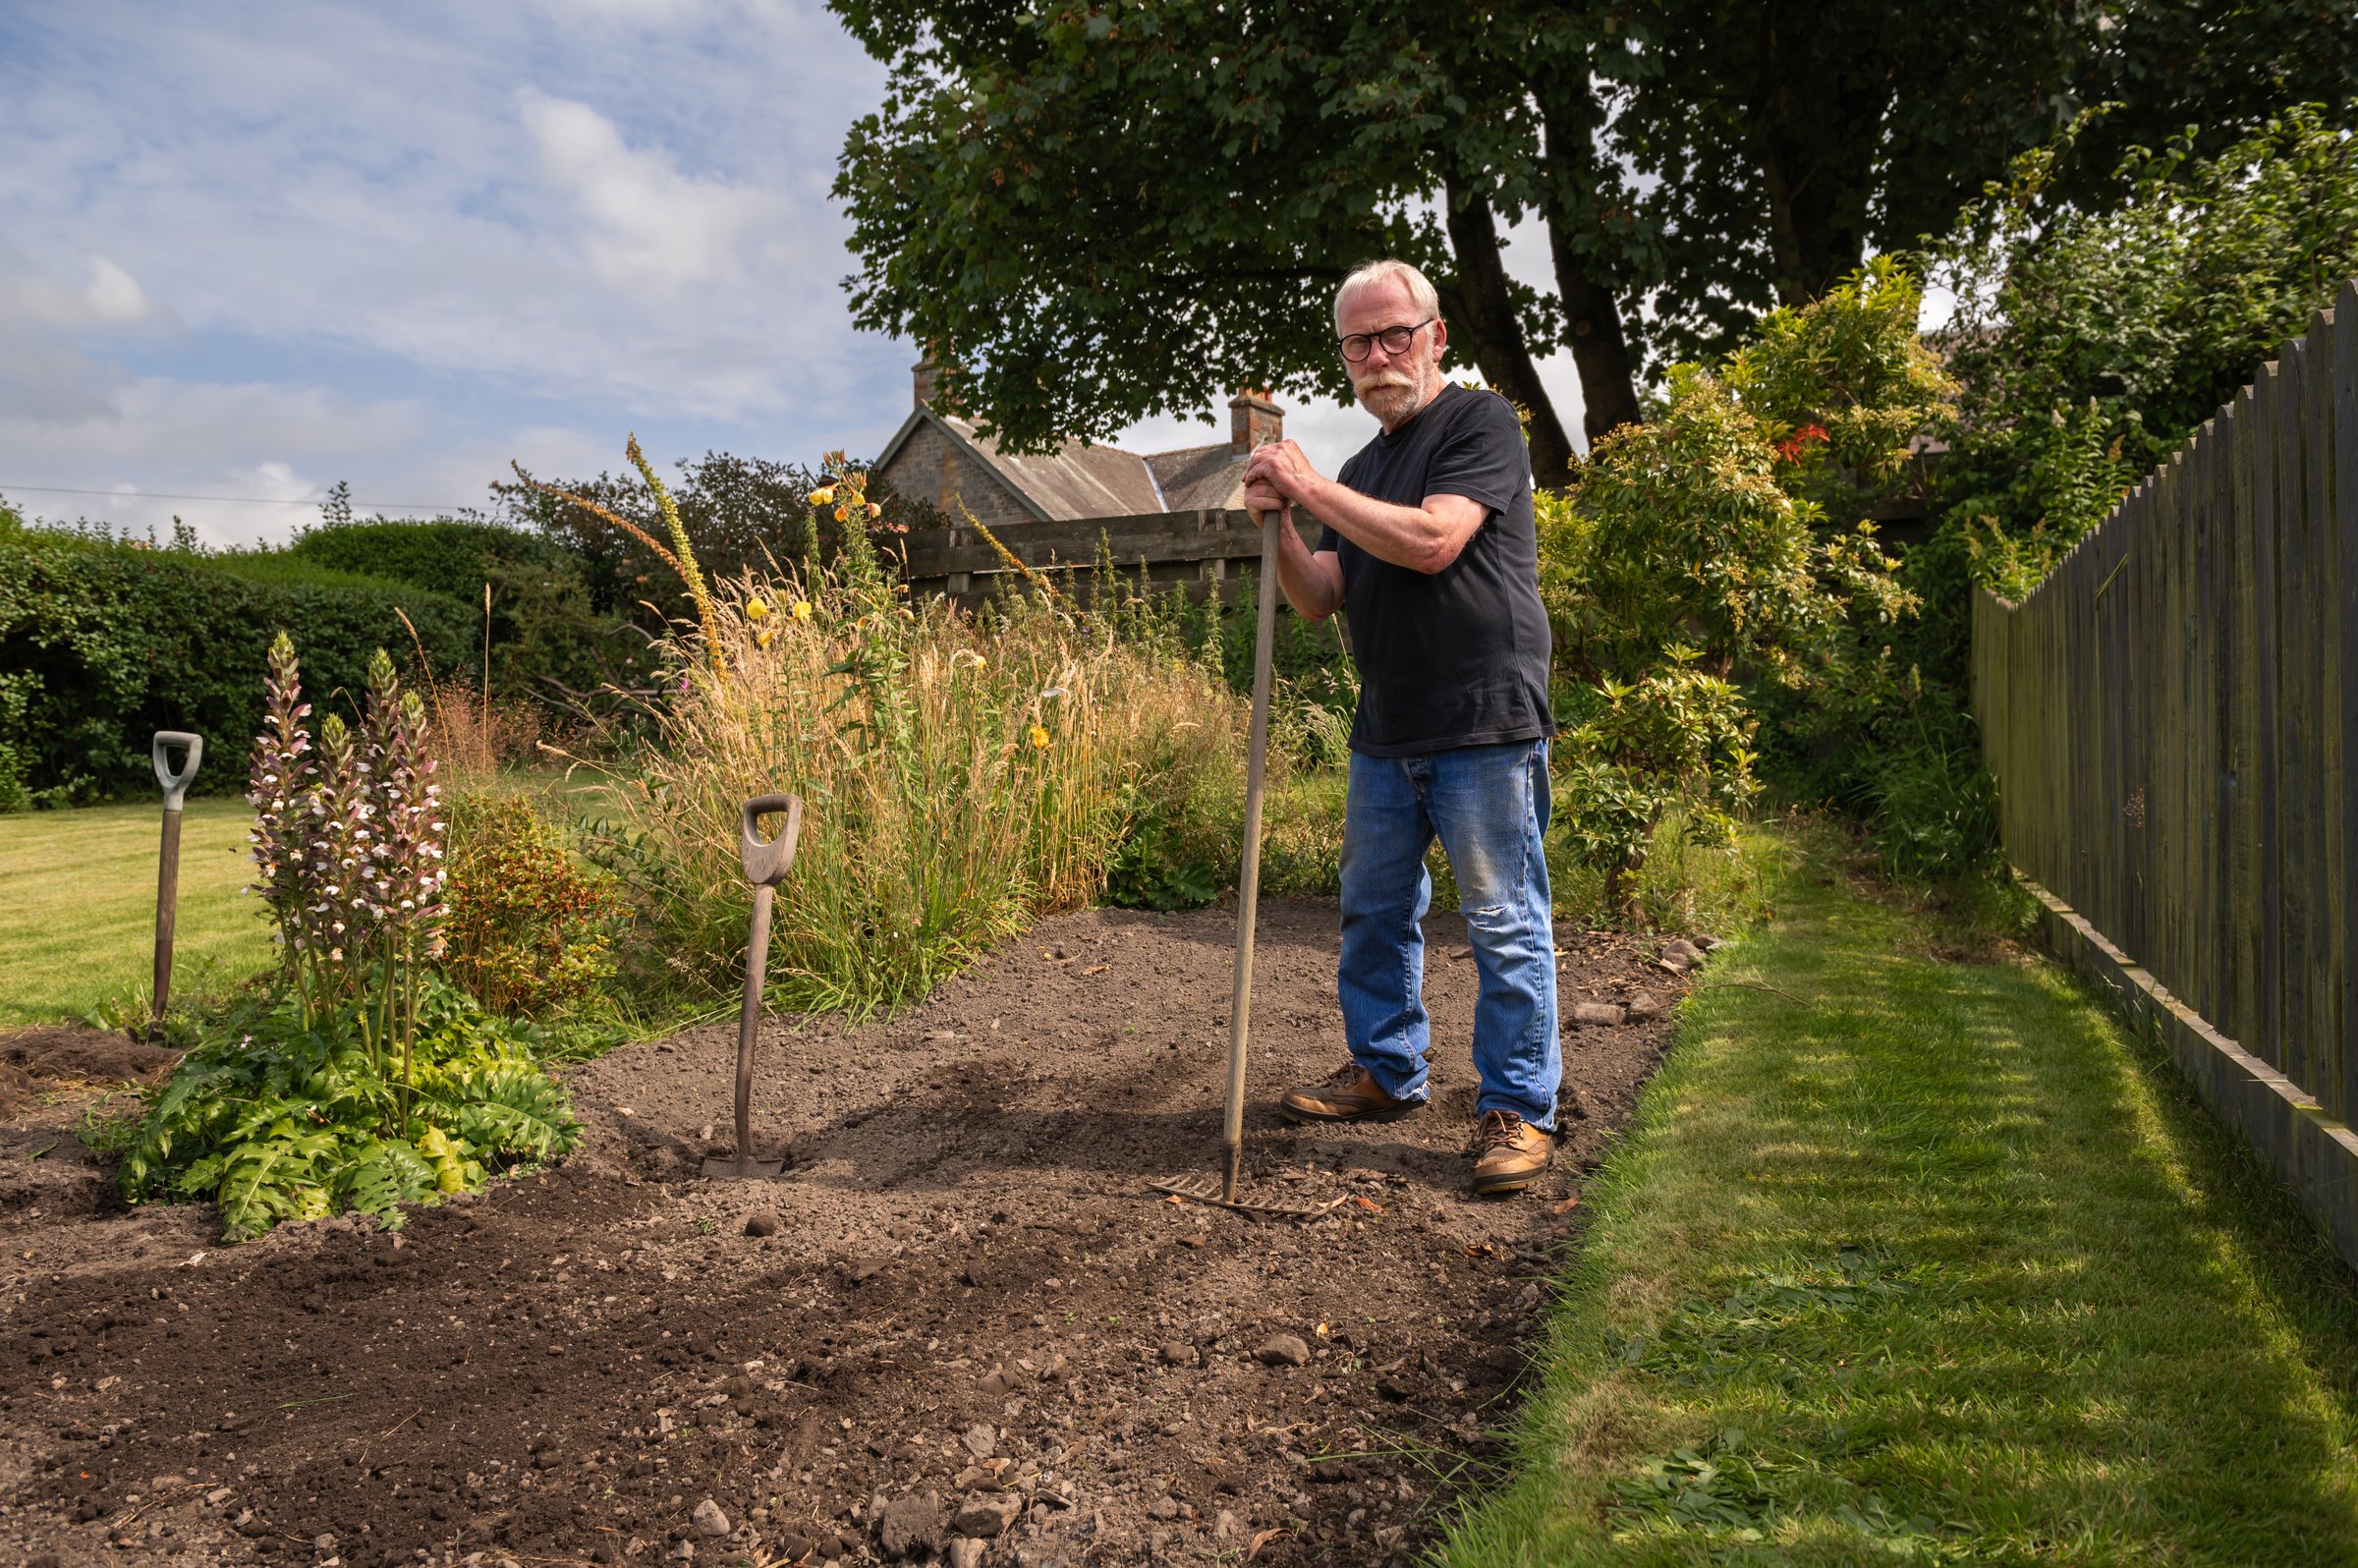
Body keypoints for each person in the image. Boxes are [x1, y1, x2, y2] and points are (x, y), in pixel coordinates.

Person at [1239, 256, 1559, 1196]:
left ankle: (1519, 1108)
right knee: (1374, 913)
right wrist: (1283, 526)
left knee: (1502, 921)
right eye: (1357, 342)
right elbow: (1318, 599)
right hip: (1388, 726)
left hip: (1485, 720)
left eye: (1394, 335)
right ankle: (1387, 1068)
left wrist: (1309, 489)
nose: (1378, 356)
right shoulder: (1360, 468)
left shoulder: (1481, 422)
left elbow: (1433, 541)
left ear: (1435, 338)